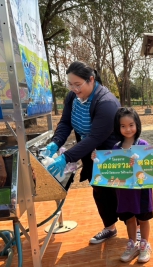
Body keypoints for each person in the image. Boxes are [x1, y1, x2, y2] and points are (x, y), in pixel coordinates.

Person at [45, 61, 120, 244]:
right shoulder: (73, 97)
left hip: (111, 153)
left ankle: (139, 230)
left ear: (91, 80)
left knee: (120, 191)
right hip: (90, 152)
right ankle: (110, 227)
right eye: (70, 84)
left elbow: (95, 137)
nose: (74, 89)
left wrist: (66, 157)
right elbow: (65, 123)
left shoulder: (106, 103)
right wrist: (56, 143)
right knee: (100, 191)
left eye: (78, 84)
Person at [91, 107, 153, 262]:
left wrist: (141, 161)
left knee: (143, 219)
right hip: (124, 192)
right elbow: (109, 167)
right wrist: (97, 160)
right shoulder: (116, 148)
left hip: (142, 191)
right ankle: (132, 244)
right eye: (123, 126)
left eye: (131, 125)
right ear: (118, 128)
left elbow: (152, 166)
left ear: (137, 125)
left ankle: (144, 245)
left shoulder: (144, 145)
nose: (128, 129)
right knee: (129, 219)